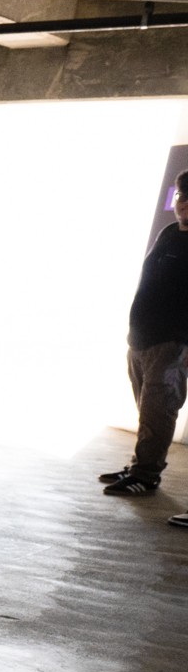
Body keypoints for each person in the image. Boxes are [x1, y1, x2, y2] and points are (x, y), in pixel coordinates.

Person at [102, 171, 188, 503]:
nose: (183, 205)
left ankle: (146, 476)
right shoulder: (168, 234)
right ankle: (139, 465)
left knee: (159, 407)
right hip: (140, 339)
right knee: (146, 408)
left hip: (173, 342)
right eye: (182, 198)